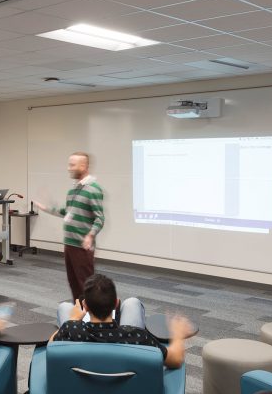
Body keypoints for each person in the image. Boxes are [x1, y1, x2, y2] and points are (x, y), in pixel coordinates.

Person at [50, 274, 189, 369]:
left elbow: (51, 346)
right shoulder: (138, 336)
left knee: (64, 307)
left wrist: (73, 319)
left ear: (85, 306)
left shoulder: (71, 331)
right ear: (116, 303)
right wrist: (178, 334)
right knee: (132, 303)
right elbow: (176, 360)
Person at [34, 152, 105, 302]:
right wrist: (47, 208)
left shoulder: (93, 189)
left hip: (82, 246)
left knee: (86, 285)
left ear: (84, 166)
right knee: (74, 284)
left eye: (72, 165)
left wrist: (90, 235)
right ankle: (79, 315)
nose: (69, 168)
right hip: (69, 244)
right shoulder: (73, 190)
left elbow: (99, 218)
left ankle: (91, 318)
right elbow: (68, 212)